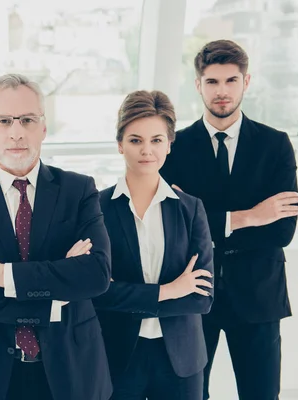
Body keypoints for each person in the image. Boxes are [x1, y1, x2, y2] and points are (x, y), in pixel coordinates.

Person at [0, 73, 113, 400]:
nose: (16, 132)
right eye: (4, 121)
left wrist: (3, 275)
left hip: (71, 371)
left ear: (43, 127)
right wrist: (55, 296)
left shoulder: (79, 190)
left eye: (27, 120)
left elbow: (96, 276)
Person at [161, 40, 298, 400]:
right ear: (198, 85)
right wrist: (254, 216)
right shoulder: (174, 147)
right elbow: (171, 226)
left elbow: (283, 231)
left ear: (246, 81)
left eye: (230, 81)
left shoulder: (275, 145)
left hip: (259, 294)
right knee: (190, 394)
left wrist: (206, 222)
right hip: (195, 293)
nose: (221, 91)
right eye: (212, 82)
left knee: (261, 394)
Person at [94, 90, 214, 400]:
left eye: (157, 140)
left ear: (170, 144)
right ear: (120, 144)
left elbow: (202, 299)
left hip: (181, 362)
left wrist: (126, 293)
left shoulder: (191, 209)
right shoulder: (97, 209)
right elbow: (96, 293)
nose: (147, 150)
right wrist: (171, 290)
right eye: (135, 140)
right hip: (118, 357)